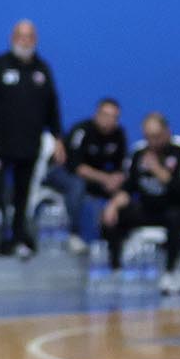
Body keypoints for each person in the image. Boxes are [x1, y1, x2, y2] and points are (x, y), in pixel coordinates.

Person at [0, 19, 64, 257]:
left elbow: (52, 107)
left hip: (28, 144)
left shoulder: (42, 70)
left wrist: (57, 138)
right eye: (20, 36)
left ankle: (18, 239)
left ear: (35, 40)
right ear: (12, 38)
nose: (25, 41)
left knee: (23, 195)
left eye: (29, 36)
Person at [103, 111, 180, 294]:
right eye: (147, 137)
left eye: (156, 137)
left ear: (167, 132)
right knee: (113, 215)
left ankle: (170, 272)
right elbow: (128, 188)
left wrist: (157, 169)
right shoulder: (138, 152)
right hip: (148, 208)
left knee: (175, 216)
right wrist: (112, 206)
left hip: (177, 207)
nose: (152, 142)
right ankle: (116, 269)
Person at [47, 97, 127, 257]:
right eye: (106, 115)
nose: (109, 120)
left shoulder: (119, 135)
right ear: (97, 114)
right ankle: (74, 234)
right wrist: (105, 178)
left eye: (114, 117)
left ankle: (116, 247)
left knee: (124, 192)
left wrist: (116, 179)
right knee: (77, 185)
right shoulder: (82, 131)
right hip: (63, 173)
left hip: (96, 177)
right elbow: (76, 167)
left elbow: (121, 167)